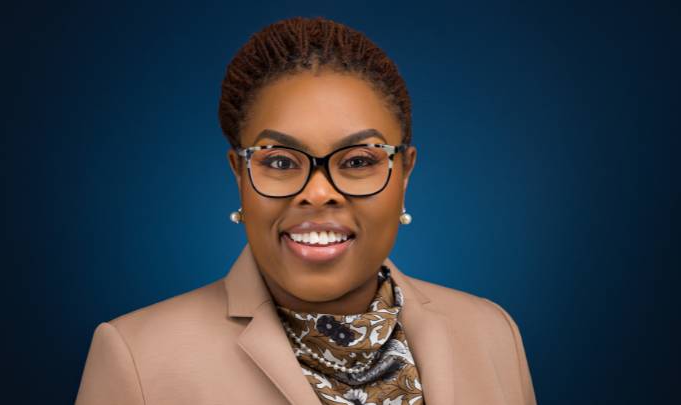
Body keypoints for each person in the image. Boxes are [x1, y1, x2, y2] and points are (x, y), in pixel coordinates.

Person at [75, 16, 537, 405]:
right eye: (279, 161)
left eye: (358, 161)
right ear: (239, 174)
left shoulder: (491, 332)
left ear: (405, 173)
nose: (318, 194)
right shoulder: (138, 357)